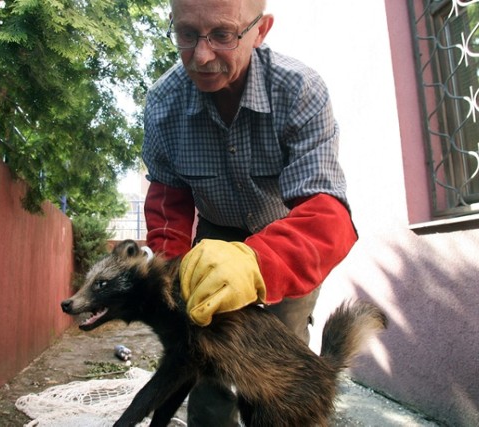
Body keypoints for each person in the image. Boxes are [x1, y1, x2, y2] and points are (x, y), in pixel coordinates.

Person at [142, 0, 357, 424]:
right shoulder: (162, 106)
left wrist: (258, 263)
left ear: (261, 31)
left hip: (288, 241)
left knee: (282, 368)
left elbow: (326, 214)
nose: (201, 56)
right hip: (213, 238)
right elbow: (168, 206)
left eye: (222, 35)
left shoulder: (301, 90)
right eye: (187, 34)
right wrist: (171, 278)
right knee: (207, 363)